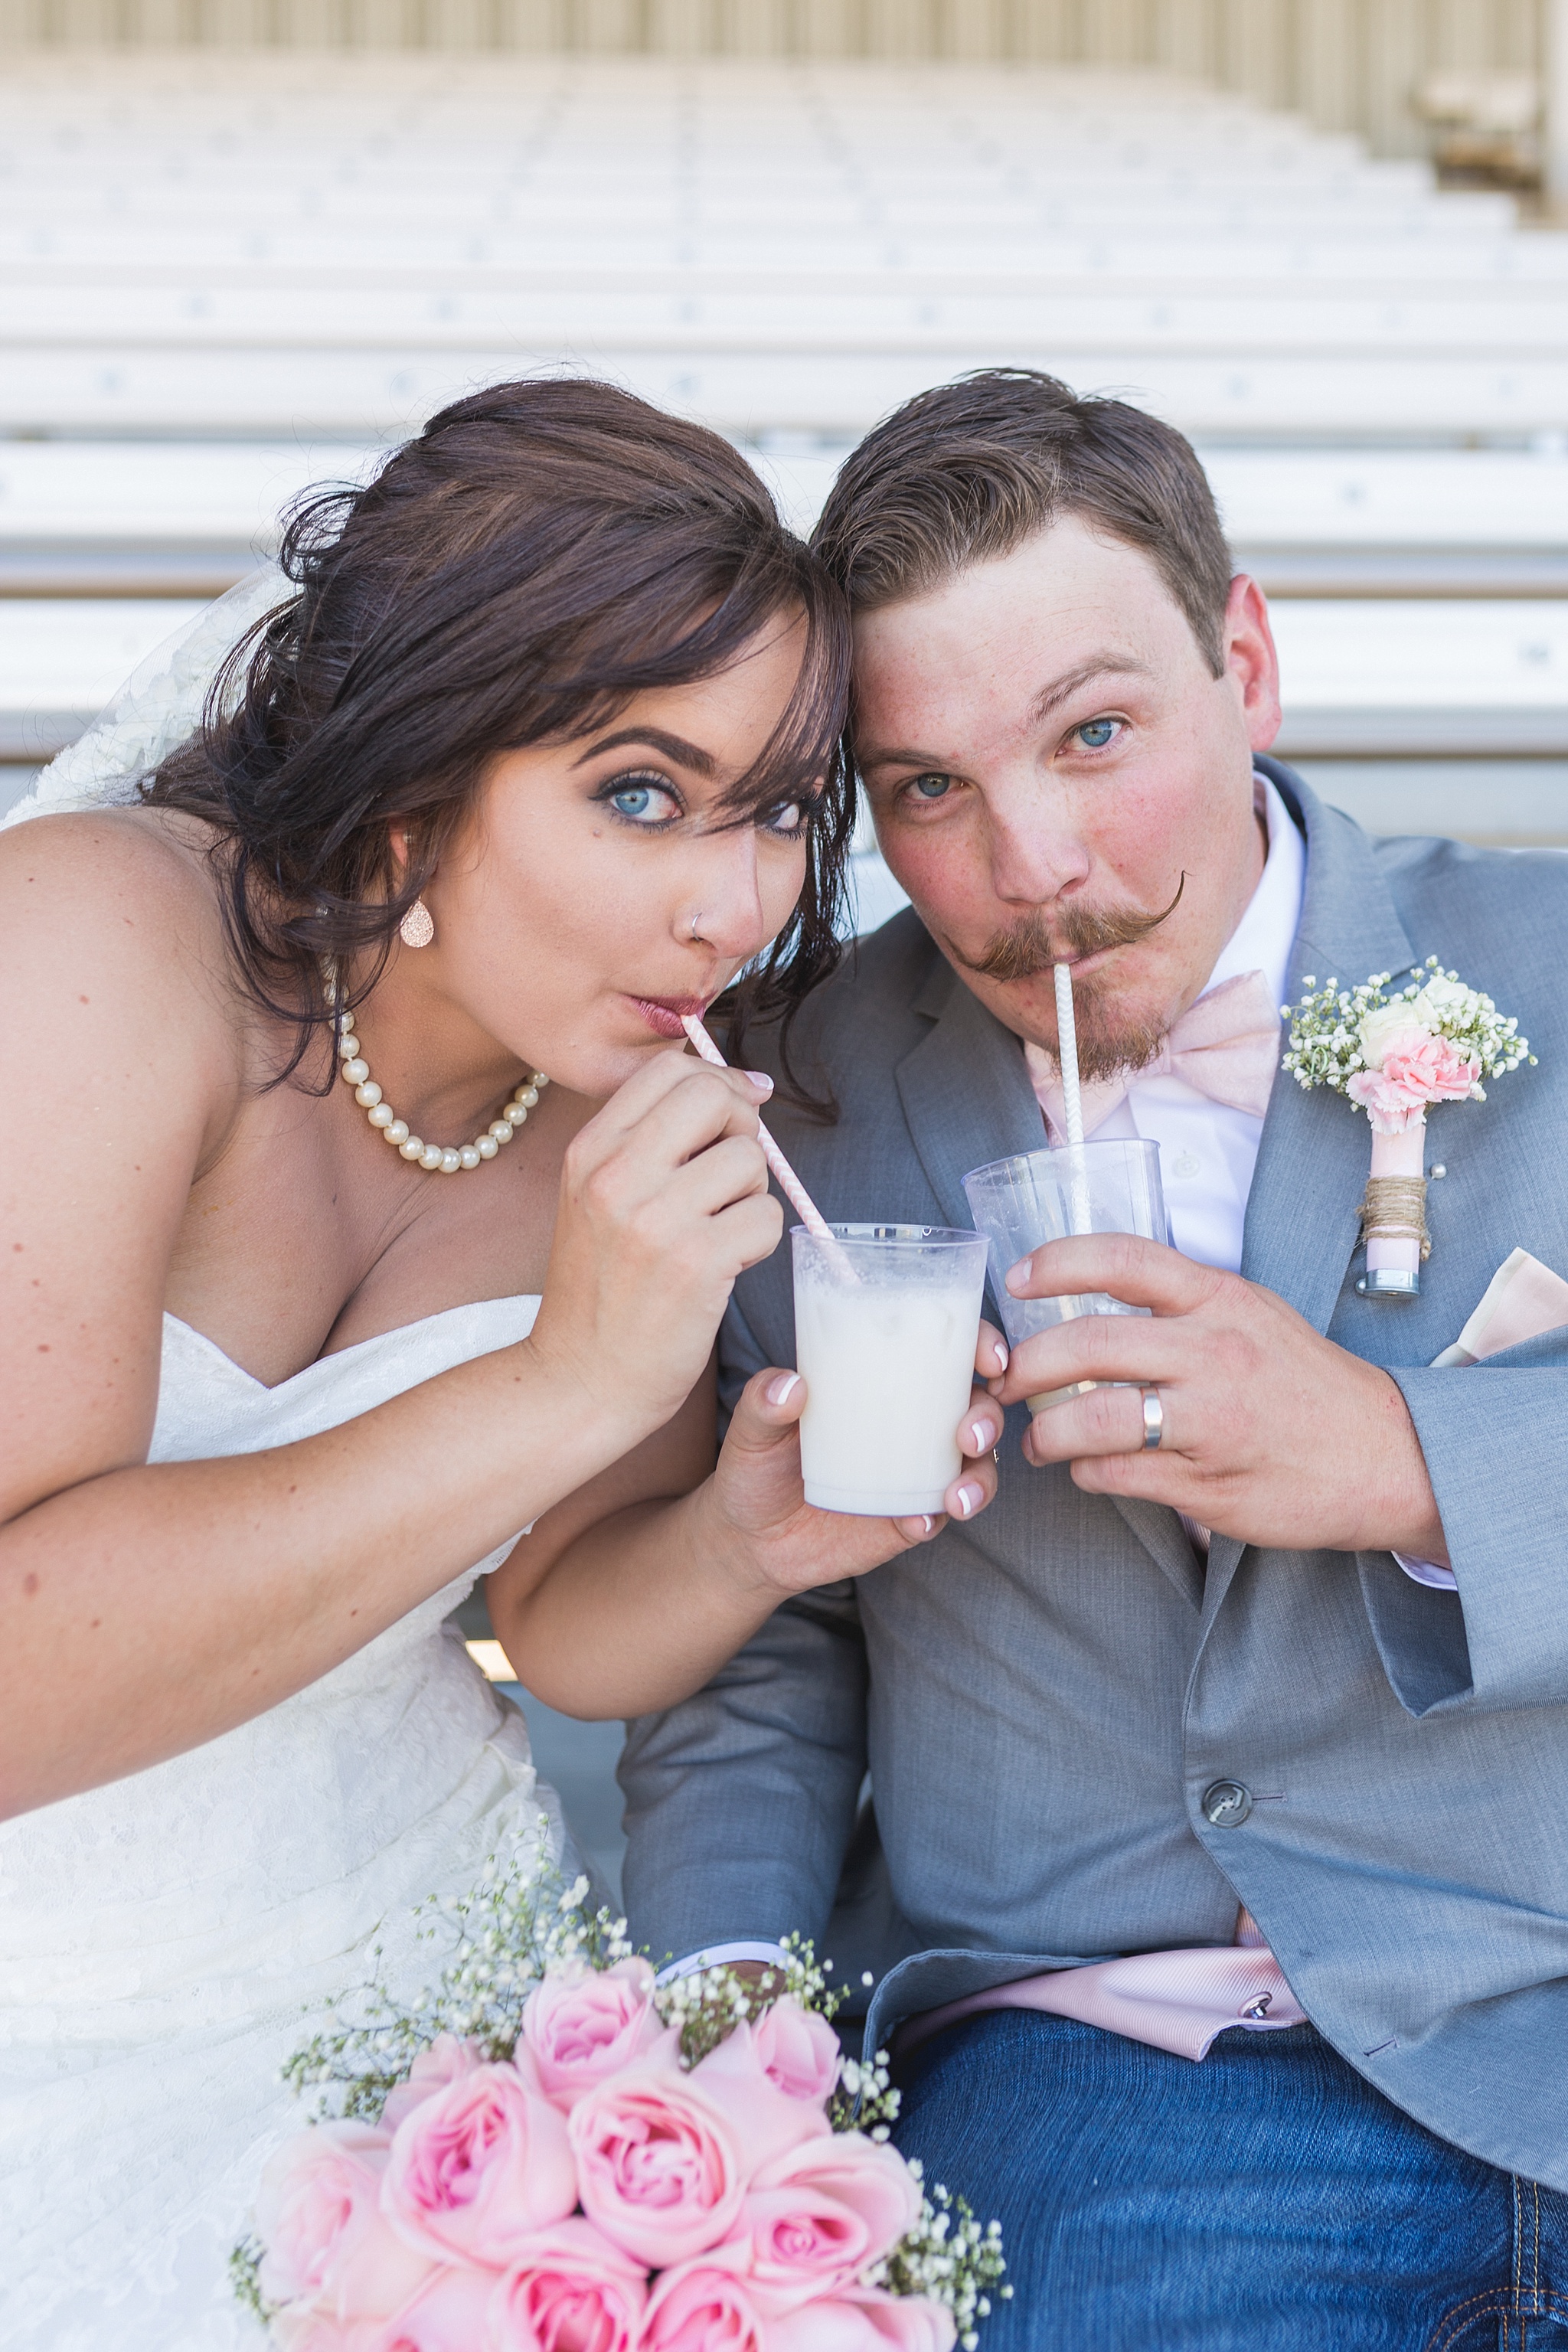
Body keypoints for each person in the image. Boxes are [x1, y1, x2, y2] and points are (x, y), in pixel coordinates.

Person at [0, 378, 998, 2352]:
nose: (731, 906)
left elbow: (557, 1629)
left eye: (776, 818)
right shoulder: (90, 952)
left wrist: (742, 1536)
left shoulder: (627, 1094)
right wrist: (560, 1381)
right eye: (641, 794)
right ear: (413, 765)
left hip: (429, 2000)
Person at [619, 370, 1568, 2347]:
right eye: (930, 791)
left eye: (1099, 735)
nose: (1033, 864)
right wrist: (716, 2025)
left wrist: (1412, 1461)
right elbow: (756, 1652)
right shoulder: (784, 1101)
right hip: (1120, 2069)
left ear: (1247, 659)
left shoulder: (1547, 965)